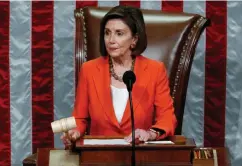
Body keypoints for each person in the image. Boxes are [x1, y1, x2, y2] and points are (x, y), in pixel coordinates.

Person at [61, 5, 177, 148]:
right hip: (100, 156)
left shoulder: (155, 70)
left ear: (134, 39)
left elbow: (167, 118)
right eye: (107, 33)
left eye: (119, 33)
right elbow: (80, 118)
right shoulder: (89, 69)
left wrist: (150, 134)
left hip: (139, 153)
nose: (111, 40)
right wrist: (75, 132)